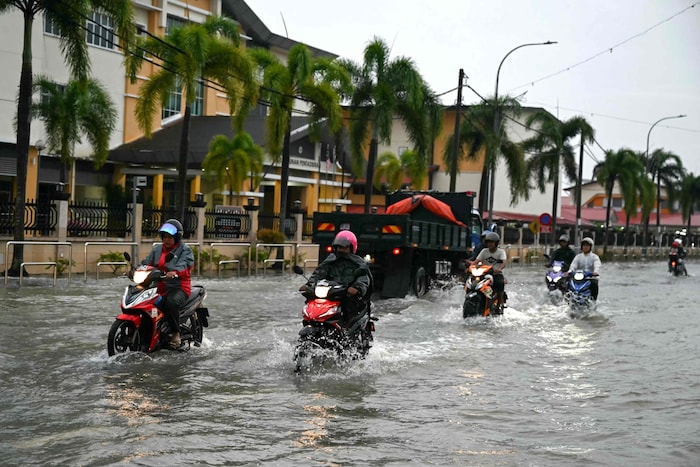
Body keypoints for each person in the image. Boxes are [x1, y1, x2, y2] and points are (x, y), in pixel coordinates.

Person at [140, 219, 194, 349]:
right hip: (158, 286)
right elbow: (147, 262)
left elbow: (185, 264)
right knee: (143, 301)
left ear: (177, 237)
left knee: (171, 302)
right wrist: (136, 269)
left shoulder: (184, 250)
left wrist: (175, 272)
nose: (167, 240)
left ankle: (176, 333)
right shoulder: (157, 249)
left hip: (178, 287)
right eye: (164, 237)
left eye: (170, 237)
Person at [299, 230, 371, 325]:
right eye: (339, 247)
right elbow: (319, 273)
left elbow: (363, 278)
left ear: (351, 248)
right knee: (312, 299)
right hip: (331, 293)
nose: (341, 250)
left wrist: (357, 287)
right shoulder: (330, 261)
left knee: (349, 304)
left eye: (344, 247)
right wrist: (310, 284)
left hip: (346, 294)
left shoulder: (358, 263)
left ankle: (347, 328)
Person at [474, 231, 507, 309]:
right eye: (488, 242)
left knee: (500, 282)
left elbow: (504, 262)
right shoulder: (484, 251)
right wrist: (470, 267)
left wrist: (499, 269)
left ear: (496, 243)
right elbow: (476, 261)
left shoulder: (501, 252)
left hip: (496, 274)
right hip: (484, 273)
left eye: (491, 242)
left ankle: (500, 302)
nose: (489, 244)